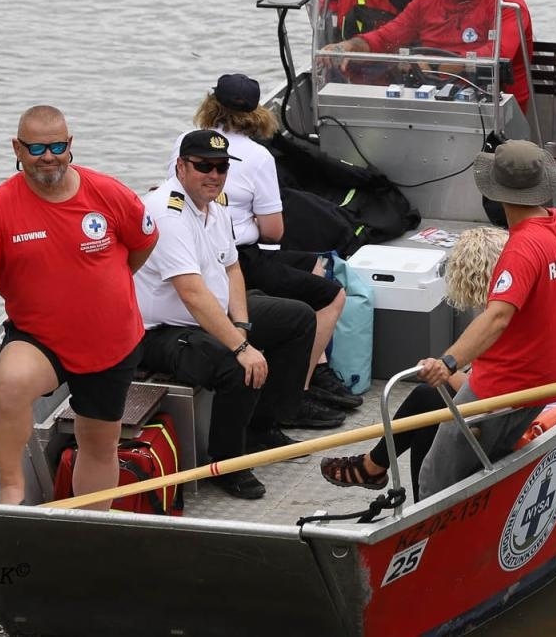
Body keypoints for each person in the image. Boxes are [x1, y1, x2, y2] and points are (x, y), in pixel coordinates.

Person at [0, 106, 157, 508]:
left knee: (98, 441)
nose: (48, 156)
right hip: (41, 338)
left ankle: (90, 524)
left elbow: (142, 244)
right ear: (17, 148)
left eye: (57, 146)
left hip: (111, 341)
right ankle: (12, 490)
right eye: (36, 147)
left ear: (70, 146)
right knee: (9, 385)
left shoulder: (107, 192)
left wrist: (105, 284)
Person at [134, 129, 323, 499]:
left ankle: (261, 427)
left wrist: (241, 325)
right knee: (236, 367)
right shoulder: (166, 213)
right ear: (180, 166)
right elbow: (190, 293)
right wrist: (240, 346)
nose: (214, 175)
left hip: (209, 314)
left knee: (298, 319)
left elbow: (233, 268)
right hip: (159, 331)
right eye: (204, 166)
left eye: (221, 167)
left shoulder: (213, 205)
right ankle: (226, 462)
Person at [172, 73, 358, 419]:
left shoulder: (187, 142)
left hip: (199, 247)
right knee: (332, 294)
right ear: (257, 113)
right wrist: (250, 221)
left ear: (210, 105)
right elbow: (273, 231)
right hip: (239, 256)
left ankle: (315, 366)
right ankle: (297, 394)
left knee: (311, 265)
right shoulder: (258, 156)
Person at [414, 141, 556, 499]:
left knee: (435, 479)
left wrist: (448, 362)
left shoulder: (521, 249)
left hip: (504, 388)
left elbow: (497, 317)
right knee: (485, 461)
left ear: (496, 193)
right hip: (552, 381)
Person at [318, 226, 505, 499]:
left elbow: (483, 389)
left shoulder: (495, 321)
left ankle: (378, 468)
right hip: (510, 403)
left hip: (503, 414)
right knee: (430, 409)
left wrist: (441, 369)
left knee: (428, 398)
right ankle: (393, 479)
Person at [320, 0, 536, 112]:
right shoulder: (428, 1)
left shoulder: (508, 3)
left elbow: (496, 54)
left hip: (495, 110)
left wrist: (433, 65)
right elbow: (386, 38)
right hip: (428, 103)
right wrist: (345, 47)